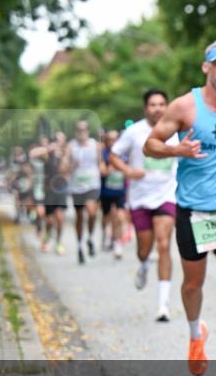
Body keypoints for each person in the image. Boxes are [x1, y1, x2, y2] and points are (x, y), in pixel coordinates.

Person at [144, 40, 216, 376]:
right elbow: (151, 143)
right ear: (206, 68)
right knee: (193, 283)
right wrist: (176, 149)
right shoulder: (183, 106)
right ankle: (196, 334)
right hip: (193, 209)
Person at [109, 90, 179, 321]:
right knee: (144, 249)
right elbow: (114, 155)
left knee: (164, 244)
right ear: (145, 108)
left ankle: (163, 305)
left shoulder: (176, 130)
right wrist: (128, 170)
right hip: (140, 198)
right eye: (153, 105)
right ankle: (143, 265)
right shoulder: (134, 131)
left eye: (161, 104)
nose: (158, 108)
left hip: (167, 195)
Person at [67, 120, 103, 264]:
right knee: (80, 217)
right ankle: (80, 245)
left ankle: (90, 237)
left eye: (84, 129)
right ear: (76, 131)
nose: (82, 132)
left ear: (88, 131)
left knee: (92, 212)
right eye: (79, 130)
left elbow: (102, 164)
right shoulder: (71, 147)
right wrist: (72, 165)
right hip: (76, 186)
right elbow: (64, 167)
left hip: (92, 185)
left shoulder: (96, 145)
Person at [31, 132, 70, 255]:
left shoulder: (66, 154)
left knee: (60, 218)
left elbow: (67, 170)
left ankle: (58, 242)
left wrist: (63, 157)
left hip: (61, 190)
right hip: (48, 191)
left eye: (61, 139)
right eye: (56, 139)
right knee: (49, 221)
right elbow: (33, 154)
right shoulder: (47, 154)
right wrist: (49, 149)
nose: (58, 142)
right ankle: (47, 239)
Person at [99, 130, 127, 259]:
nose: (112, 142)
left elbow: (128, 169)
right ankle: (105, 234)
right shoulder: (103, 154)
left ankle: (117, 243)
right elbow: (103, 171)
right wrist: (111, 168)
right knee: (107, 216)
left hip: (120, 191)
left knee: (120, 217)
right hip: (106, 191)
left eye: (115, 139)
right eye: (110, 139)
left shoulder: (124, 154)